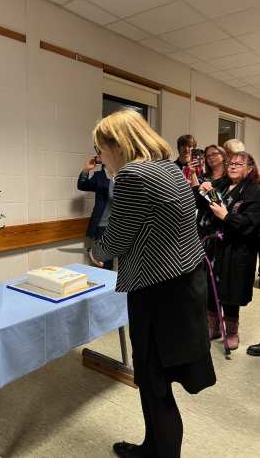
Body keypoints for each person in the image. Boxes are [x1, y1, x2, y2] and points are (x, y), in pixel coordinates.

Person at [89, 109, 215, 458]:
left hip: (157, 292)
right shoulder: (168, 169)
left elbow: (115, 241)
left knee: (155, 385)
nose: (100, 156)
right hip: (183, 285)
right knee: (152, 380)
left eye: (101, 148)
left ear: (117, 144)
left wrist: (95, 251)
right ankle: (150, 449)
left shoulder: (133, 175)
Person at [193, 152, 260, 350]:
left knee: (231, 289)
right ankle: (212, 327)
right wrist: (202, 189)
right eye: (231, 163)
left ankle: (232, 332)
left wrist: (226, 216)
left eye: (239, 164)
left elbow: (249, 223)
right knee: (210, 287)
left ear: (250, 168)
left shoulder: (255, 191)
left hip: (236, 249)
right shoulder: (220, 186)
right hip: (213, 246)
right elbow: (203, 204)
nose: (233, 167)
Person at [77, 155, 114, 270]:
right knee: (104, 264)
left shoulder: (126, 176)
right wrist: (86, 170)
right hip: (103, 226)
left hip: (122, 226)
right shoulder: (100, 175)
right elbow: (82, 185)